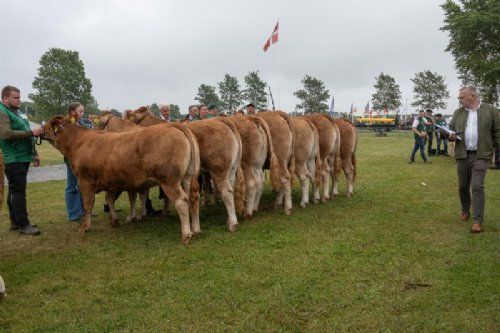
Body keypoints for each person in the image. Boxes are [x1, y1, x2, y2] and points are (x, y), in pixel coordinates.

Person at [449, 85, 500, 233]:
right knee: (463, 186)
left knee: (477, 186)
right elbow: (450, 129)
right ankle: (465, 209)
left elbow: (498, 132)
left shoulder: (491, 110)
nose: (459, 100)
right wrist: (450, 135)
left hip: (481, 155)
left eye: (461, 97)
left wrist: (496, 149)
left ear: (472, 96)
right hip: (462, 154)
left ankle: (477, 220)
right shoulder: (458, 113)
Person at [0, 85, 43, 235]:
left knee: (14, 189)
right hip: (13, 157)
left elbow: (27, 134)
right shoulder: (2, 112)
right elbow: (6, 134)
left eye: (19, 97)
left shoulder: (16, 112)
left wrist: (35, 153)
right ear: (5, 98)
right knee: (18, 190)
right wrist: (31, 132)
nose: (19, 100)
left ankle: (15, 222)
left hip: (22, 156)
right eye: (16, 98)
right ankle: (24, 225)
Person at [64, 102, 90, 221]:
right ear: (73, 112)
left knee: (83, 185)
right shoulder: (66, 125)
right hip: (72, 159)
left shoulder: (81, 123)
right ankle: (74, 214)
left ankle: (85, 210)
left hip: (83, 158)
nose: (82, 113)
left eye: (83, 111)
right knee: (72, 186)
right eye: (81, 111)